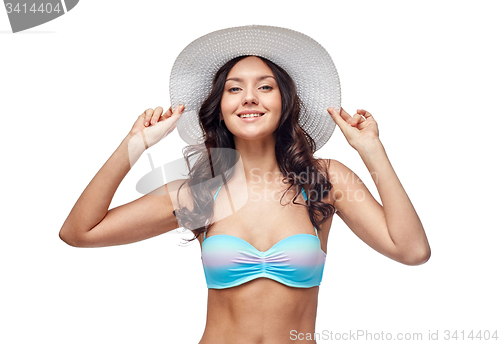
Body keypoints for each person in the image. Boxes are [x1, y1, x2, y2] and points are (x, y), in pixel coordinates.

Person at [59, 25, 431, 344]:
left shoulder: (325, 179)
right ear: (219, 106)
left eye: (265, 87)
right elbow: (79, 231)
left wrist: (371, 149)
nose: (249, 97)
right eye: (234, 89)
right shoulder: (197, 192)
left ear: (284, 101)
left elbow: (412, 251)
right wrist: (134, 143)